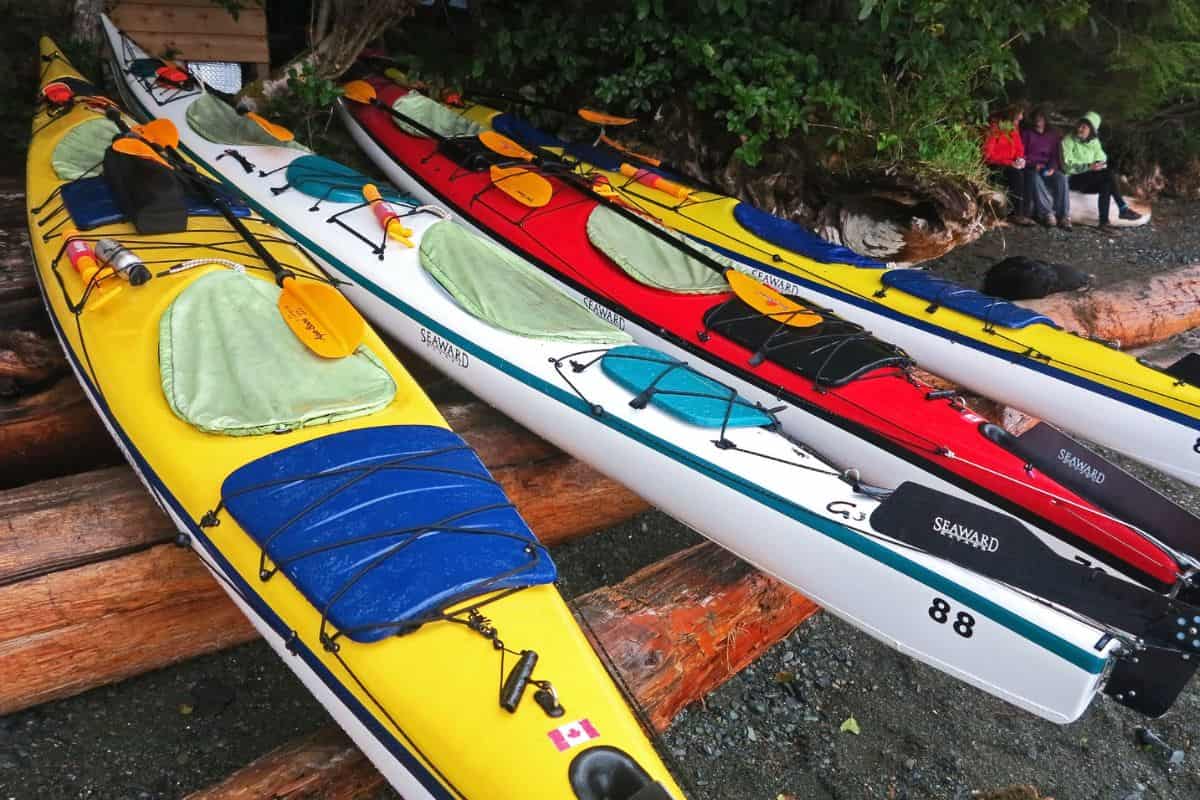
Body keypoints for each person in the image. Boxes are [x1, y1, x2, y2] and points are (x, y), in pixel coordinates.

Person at [1060, 111, 1141, 229]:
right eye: (1079, 125)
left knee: (1106, 183)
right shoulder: (1068, 140)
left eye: (1084, 127)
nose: (1079, 129)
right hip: (1072, 178)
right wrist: (1088, 166)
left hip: (1089, 179)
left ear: (1092, 130)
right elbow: (1066, 165)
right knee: (1108, 175)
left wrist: (1098, 164)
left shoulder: (1094, 142)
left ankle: (1104, 222)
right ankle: (1122, 208)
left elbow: (1102, 158)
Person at [1020, 108, 1071, 229]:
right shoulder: (1027, 134)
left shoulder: (1052, 135)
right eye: (1037, 117)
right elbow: (1021, 154)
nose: (1039, 120)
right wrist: (1033, 165)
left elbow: (1055, 155)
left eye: (1041, 117)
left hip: (1047, 167)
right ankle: (1047, 213)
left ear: (1046, 119)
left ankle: (1063, 216)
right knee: (1034, 178)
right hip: (1032, 167)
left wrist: (1052, 167)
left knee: (1061, 178)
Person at [982, 105, 1032, 225]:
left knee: (1030, 174)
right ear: (1011, 116)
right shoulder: (994, 128)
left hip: (1011, 163)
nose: (1021, 117)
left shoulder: (1013, 128)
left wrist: (1020, 159)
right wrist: (1009, 162)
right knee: (1016, 174)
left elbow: (1019, 148)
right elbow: (988, 155)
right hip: (995, 164)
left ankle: (1025, 213)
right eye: (1019, 115)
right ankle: (1016, 214)